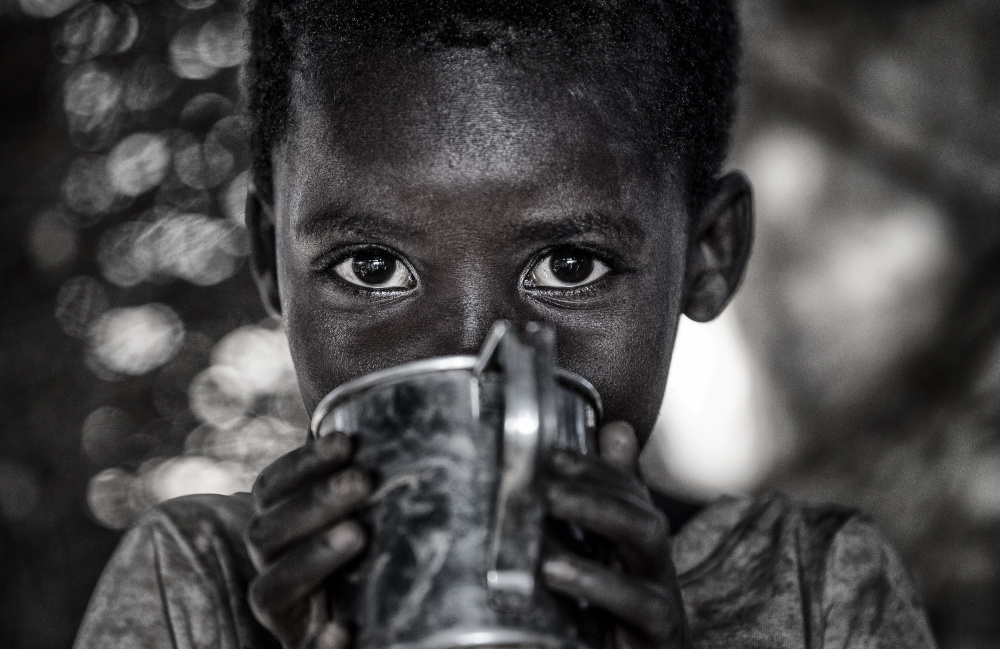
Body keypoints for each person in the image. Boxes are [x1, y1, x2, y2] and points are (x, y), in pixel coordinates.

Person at [74, 1, 937, 648]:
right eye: (372, 269)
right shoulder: (195, 586)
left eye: (569, 266)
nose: (475, 366)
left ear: (708, 254)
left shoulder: (821, 587)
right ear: (270, 259)